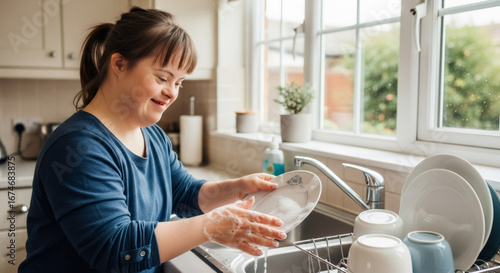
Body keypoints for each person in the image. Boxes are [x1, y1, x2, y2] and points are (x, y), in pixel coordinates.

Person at [18, 7, 286, 273]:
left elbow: (184, 195)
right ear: (119, 65)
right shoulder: (77, 147)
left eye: (179, 82)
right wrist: (212, 226)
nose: (172, 93)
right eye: (162, 78)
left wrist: (235, 189)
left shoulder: (153, 136)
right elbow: (114, 249)